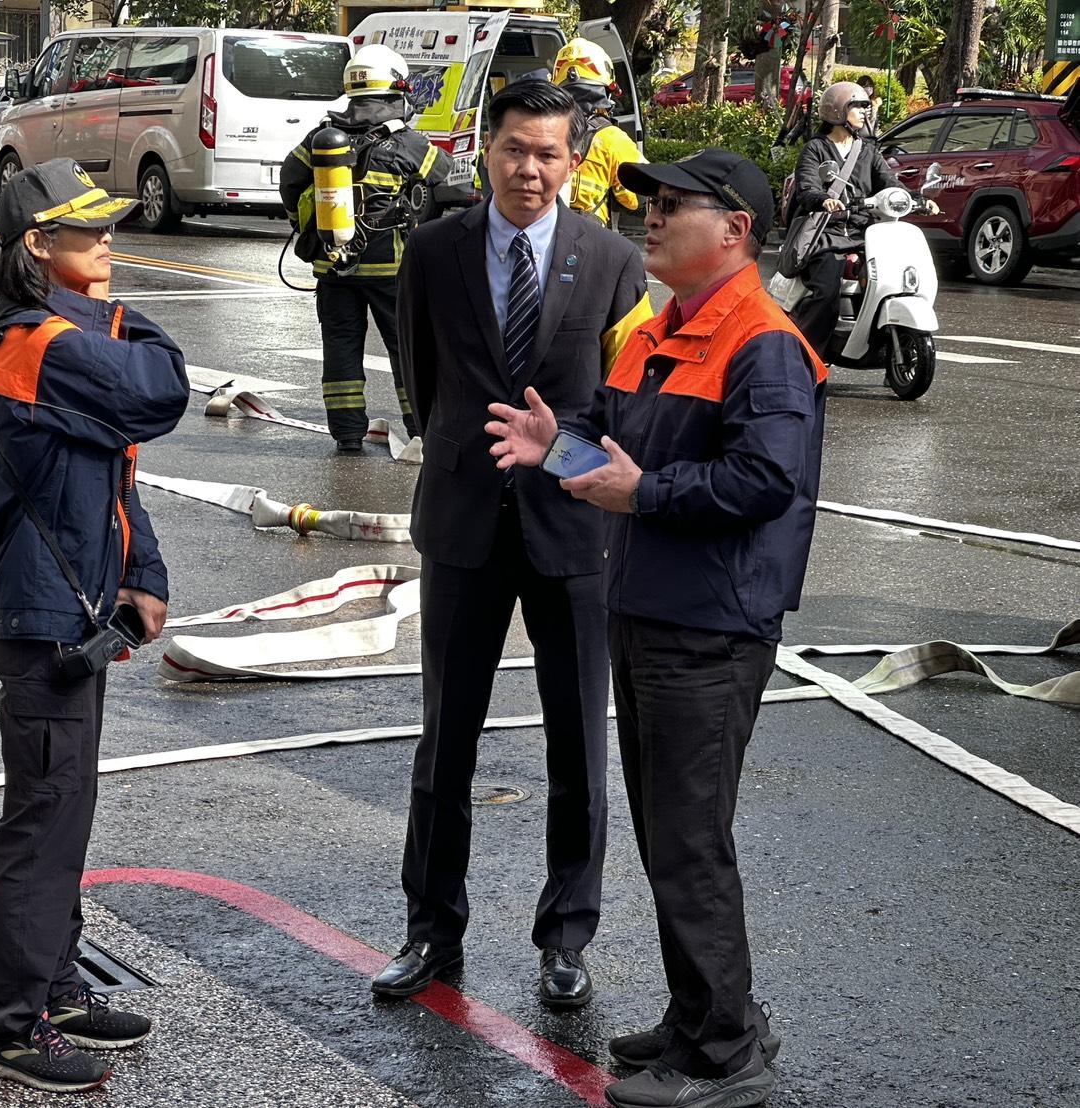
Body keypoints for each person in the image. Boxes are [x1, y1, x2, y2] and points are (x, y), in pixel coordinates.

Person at [485, 148, 825, 1108]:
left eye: (673, 205)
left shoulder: (761, 341)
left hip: (709, 627)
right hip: (647, 609)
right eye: (651, 202)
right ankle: (694, 1016)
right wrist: (558, 448)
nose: (652, 216)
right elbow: (604, 435)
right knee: (665, 829)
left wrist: (644, 492)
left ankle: (724, 1051)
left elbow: (766, 483)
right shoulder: (657, 329)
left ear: (734, 231)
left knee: (687, 839)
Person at [370, 79, 652, 1008]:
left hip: (572, 526)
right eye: (513, 149)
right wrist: (466, 458)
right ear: (485, 150)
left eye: (548, 154)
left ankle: (565, 937)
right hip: (460, 522)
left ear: (574, 163)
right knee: (445, 737)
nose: (528, 169)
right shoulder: (435, 248)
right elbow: (419, 380)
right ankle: (429, 931)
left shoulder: (611, 260)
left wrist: (555, 457)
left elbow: (622, 419)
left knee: (577, 740)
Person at [0, 158, 190, 1094]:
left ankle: (51, 990)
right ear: (35, 250)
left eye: (106, 227)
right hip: (43, 610)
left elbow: (114, 475)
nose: (109, 241)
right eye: (86, 231)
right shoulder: (30, 339)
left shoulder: (57, 333)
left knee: (66, 809)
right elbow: (160, 388)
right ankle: (13, 1029)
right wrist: (101, 318)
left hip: (74, 597)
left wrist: (143, 573)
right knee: (45, 819)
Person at [279, 44, 453, 452]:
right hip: (392, 270)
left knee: (340, 350)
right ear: (396, 87)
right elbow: (445, 178)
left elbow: (289, 180)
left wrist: (308, 229)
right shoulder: (407, 142)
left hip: (333, 266)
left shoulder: (322, 138)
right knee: (406, 350)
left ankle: (347, 435)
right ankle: (420, 432)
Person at [787, 80, 936, 361]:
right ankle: (807, 357)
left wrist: (917, 199)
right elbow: (806, 186)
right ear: (837, 111)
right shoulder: (816, 149)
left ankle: (883, 339)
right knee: (826, 292)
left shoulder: (867, 150)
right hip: (826, 235)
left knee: (895, 278)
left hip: (863, 234)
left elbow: (890, 183)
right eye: (857, 106)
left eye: (866, 107)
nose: (864, 112)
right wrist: (823, 199)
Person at [552, 38, 643, 226]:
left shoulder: (538, 129)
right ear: (605, 90)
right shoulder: (613, 139)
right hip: (588, 241)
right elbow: (635, 200)